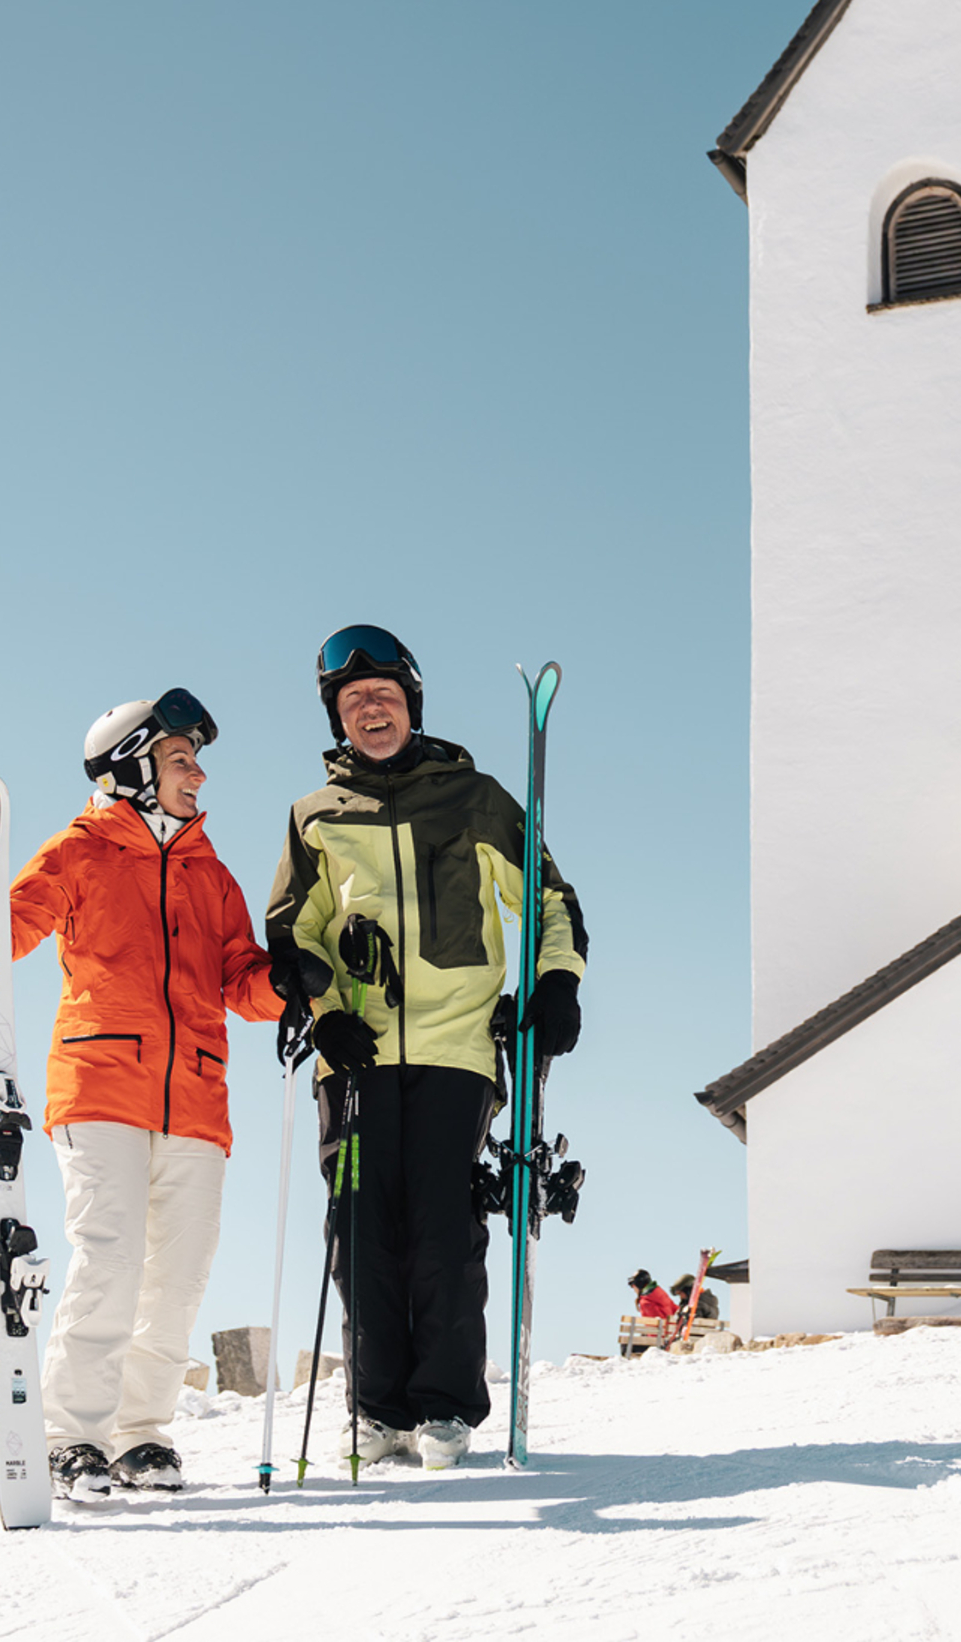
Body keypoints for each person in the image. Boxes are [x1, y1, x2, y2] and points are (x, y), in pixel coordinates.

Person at [0, 690, 283, 1499]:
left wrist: (287, 983)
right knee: (111, 1259)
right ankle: (72, 1436)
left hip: (196, 1097)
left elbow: (240, 982)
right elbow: (6, 929)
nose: (198, 775)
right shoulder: (82, 851)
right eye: (181, 759)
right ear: (133, 767)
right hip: (100, 1088)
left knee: (180, 1274)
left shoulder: (210, 872)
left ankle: (143, 1435)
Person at [267, 624, 587, 1472]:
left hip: (455, 1049)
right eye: (354, 701)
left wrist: (557, 981)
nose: (372, 711)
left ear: (412, 705)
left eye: (386, 697)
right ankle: (377, 1410)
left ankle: (445, 1406)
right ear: (337, 720)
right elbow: (290, 935)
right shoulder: (314, 818)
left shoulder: (474, 798)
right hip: (357, 1054)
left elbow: (551, 899)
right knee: (361, 1229)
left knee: (444, 1227)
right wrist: (322, 1007)